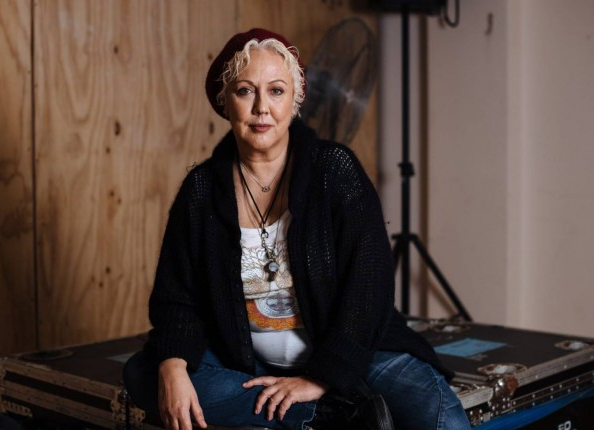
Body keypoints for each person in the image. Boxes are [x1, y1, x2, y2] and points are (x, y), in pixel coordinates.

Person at [123, 28, 471, 430]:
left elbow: (369, 285)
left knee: (446, 423)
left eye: (276, 91)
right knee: (146, 374)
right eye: (245, 91)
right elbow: (176, 297)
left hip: (354, 350)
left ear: (295, 101)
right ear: (225, 101)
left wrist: (320, 378)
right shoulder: (200, 191)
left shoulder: (335, 170)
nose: (261, 108)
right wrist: (173, 365)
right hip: (248, 358)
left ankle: (319, 398)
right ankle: (327, 417)